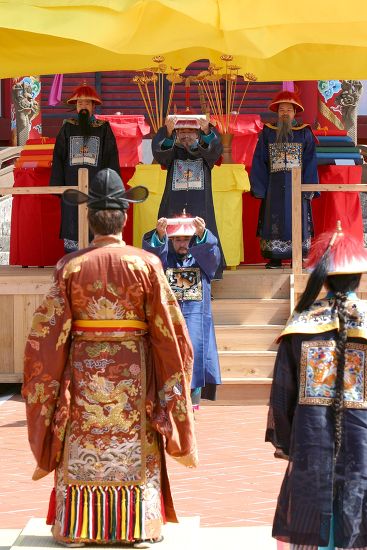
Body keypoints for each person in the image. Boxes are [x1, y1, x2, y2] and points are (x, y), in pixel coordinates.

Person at [22, 168, 198, 548]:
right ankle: (136, 525)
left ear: (89, 219)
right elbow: (171, 332)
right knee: (134, 441)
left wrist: (50, 385)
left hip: (84, 370)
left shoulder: (70, 266)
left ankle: (79, 527)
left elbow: (47, 336)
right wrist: (173, 376)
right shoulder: (146, 264)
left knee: (82, 439)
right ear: (125, 217)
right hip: (134, 370)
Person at [266, 220, 367, 549]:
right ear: (359, 276)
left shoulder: (299, 326)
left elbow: (281, 399)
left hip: (312, 442)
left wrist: (289, 442)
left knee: (311, 519)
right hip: (362, 441)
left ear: (322, 279)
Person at [142, 213, 221, 408]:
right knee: (169, 354)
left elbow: (213, 257)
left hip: (196, 317)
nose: (182, 244)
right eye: (177, 239)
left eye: (186, 239)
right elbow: (153, 262)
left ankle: (192, 403)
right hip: (170, 317)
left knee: (194, 353)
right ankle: (168, 400)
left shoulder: (201, 261)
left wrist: (203, 233)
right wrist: (159, 236)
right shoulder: (165, 260)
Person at [250, 90, 319, 269]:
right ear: (277, 112)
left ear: (295, 112)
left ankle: (299, 256)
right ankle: (275, 257)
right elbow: (259, 159)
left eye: (289, 110)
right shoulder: (267, 132)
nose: (285, 113)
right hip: (274, 186)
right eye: (281, 110)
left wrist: (309, 187)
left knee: (298, 217)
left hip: (298, 186)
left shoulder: (305, 133)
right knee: (274, 218)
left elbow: (311, 161)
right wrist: (260, 187)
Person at [152, 112, 225, 278]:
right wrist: (168, 132)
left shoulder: (205, 154)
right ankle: (169, 281)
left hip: (200, 203)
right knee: (172, 236)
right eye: (181, 132)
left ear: (198, 134)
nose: (186, 136)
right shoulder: (173, 152)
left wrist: (207, 130)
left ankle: (204, 281)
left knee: (200, 237)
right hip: (174, 202)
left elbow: (215, 151)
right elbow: (160, 155)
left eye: (191, 131)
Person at [50, 83, 121, 253]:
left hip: (96, 186)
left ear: (93, 106)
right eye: (79, 103)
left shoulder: (103, 128)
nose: (83, 106)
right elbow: (58, 157)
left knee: (96, 219)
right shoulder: (67, 127)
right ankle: (72, 262)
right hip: (71, 184)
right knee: (72, 220)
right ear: (75, 106)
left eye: (87, 103)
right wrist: (58, 186)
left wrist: (110, 186)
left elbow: (111, 157)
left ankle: (95, 261)